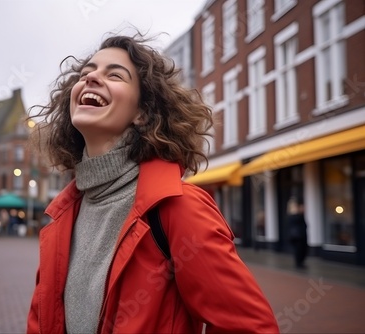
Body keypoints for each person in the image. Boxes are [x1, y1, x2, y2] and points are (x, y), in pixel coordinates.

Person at [26, 33, 279, 333]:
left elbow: (250, 327)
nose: (91, 78)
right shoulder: (61, 217)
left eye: (115, 75)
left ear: (142, 113)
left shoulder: (177, 207)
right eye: (85, 73)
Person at [287, 197, 308, 269]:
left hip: (301, 235)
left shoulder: (299, 215)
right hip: (297, 236)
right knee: (298, 250)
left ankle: (300, 262)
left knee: (302, 250)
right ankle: (299, 263)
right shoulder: (294, 216)